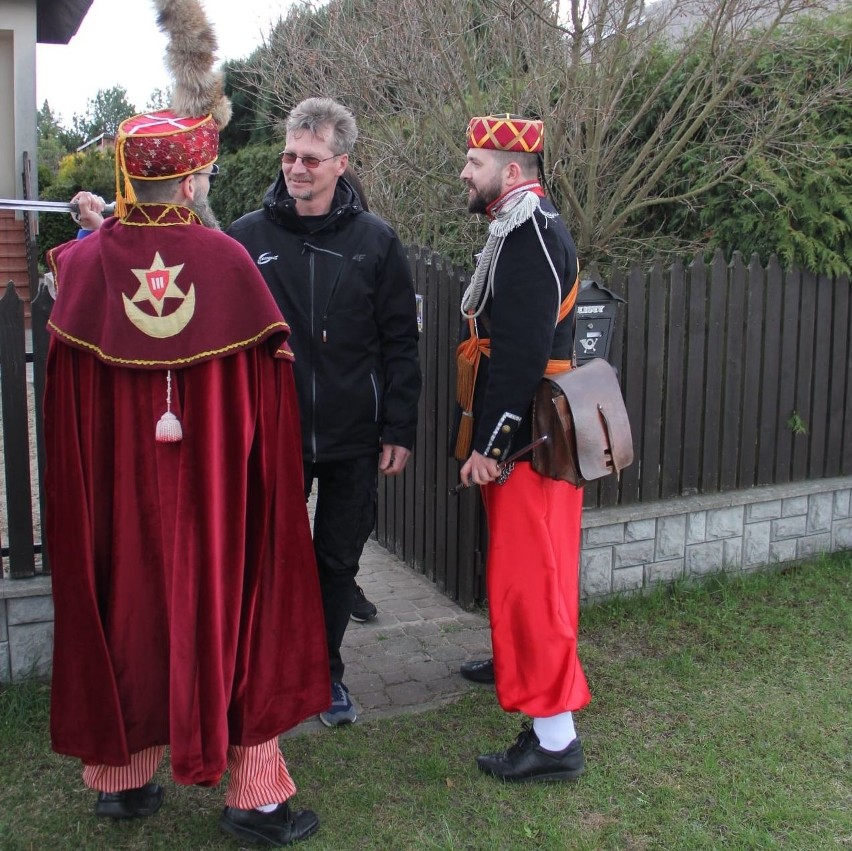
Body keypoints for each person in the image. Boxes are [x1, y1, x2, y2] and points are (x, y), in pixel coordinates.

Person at [43, 4, 329, 844]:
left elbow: (65, 405)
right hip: (215, 500)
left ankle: (123, 780)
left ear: (131, 179)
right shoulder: (230, 264)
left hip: (119, 505)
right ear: (195, 178)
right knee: (233, 612)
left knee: (120, 604)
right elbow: (271, 397)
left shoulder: (84, 270)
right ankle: (255, 794)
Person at [227, 98, 422, 727]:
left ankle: (327, 674)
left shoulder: (377, 243)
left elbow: (400, 341)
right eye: (288, 155)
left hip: (352, 437)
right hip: (271, 435)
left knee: (336, 559)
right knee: (265, 559)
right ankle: (262, 675)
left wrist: (399, 427)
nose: (296, 168)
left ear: (341, 162)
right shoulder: (244, 238)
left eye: (310, 159)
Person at [453, 114, 591, 782]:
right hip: (532, 433)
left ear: (512, 173)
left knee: (535, 582)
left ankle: (555, 741)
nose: (464, 173)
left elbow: (521, 354)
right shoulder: (519, 228)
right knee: (525, 576)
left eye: (474, 163)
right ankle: (518, 668)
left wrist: (493, 447)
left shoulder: (532, 233)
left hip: (533, 437)